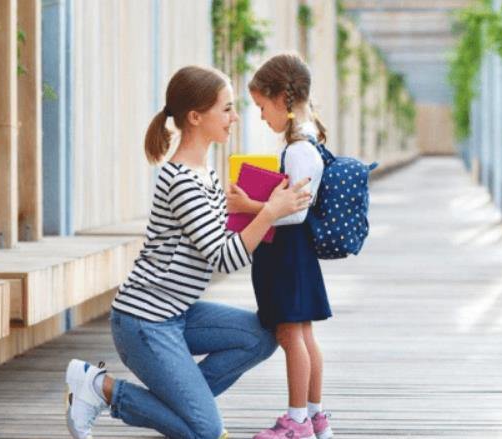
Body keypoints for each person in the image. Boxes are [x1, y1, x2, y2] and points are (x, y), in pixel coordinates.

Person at [64, 65, 313, 439]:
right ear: (195, 117)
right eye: (226, 109)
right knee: (206, 431)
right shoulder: (181, 180)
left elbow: (214, 228)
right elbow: (224, 257)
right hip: (144, 321)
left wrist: (250, 206)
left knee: (262, 336)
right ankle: (102, 388)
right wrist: (269, 212)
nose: (234, 117)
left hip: (178, 313)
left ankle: (184, 403)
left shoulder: (206, 174)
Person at [226, 53, 333, 439]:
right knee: (302, 336)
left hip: (288, 256)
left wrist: (247, 206)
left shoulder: (298, 148)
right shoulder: (307, 141)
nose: (260, 116)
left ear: (281, 98)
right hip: (294, 256)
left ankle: (297, 420)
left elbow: (293, 213)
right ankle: (316, 415)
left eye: (261, 106)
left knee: (292, 337)